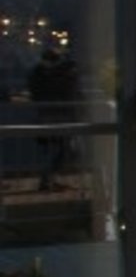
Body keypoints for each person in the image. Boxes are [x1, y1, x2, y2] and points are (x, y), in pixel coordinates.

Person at [28, 48, 80, 190]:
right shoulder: (56, 74)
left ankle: (48, 179)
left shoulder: (38, 73)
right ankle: (48, 179)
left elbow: (36, 92)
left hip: (48, 114)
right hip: (58, 115)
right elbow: (66, 90)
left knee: (56, 150)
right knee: (65, 149)